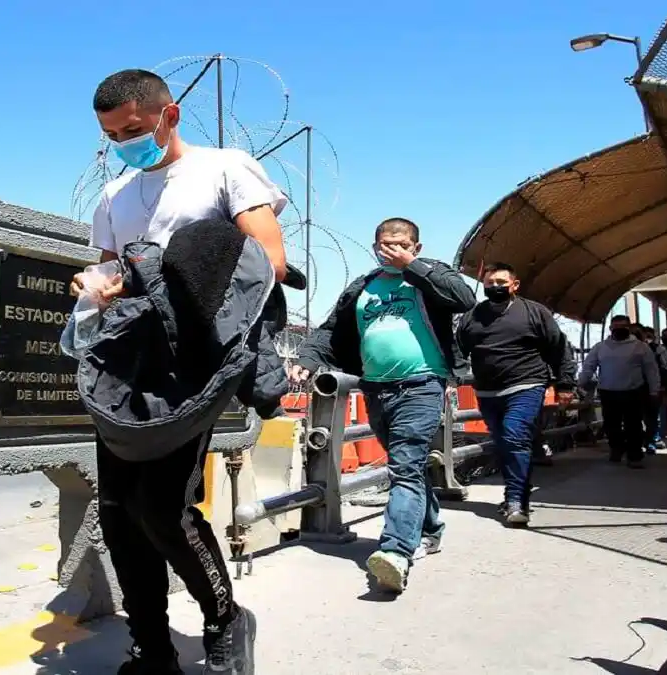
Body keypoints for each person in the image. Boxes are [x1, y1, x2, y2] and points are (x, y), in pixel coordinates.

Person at [70, 68, 293, 675]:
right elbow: (109, 273)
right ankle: (150, 647)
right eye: (113, 136)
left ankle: (224, 618)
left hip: (197, 358)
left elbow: (268, 260)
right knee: (117, 510)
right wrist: (97, 286)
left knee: (162, 507)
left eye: (134, 129)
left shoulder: (225, 168)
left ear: (169, 114)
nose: (125, 143)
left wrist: (161, 277)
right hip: (131, 361)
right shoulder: (113, 197)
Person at [289, 218, 475, 593]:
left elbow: (464, 298)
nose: (392, 251)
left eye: (401, 245)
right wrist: (306, 359)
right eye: (385, 245)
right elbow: (330, 332)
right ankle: (431, 529)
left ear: (416, 248)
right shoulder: (363, 288)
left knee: (404, 467)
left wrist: (413, 267)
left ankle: (395, 553)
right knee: (411, 466)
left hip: (422, 385)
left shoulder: (429, 277)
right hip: (377, 390)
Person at [456, 262, 577, 526]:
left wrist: (565, 384)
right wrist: (449, 379)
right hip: (487, 392)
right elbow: (457, 351)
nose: (495, 287)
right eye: (490, 283)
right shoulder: (473, 317)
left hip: (526, 385)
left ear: (514, 285)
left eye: (501, 282)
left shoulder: (535, 313)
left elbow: (559, 348)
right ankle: (514, 491)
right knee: (504, 443)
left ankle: (516, 501)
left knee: (514, 437)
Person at [578, 315, 661, 468]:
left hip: (633, 391)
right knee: (611, 424)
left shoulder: (641, 347)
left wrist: (654, 389)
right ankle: (616, 448)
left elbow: (651, 370)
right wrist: (581, 383)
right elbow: (589, 366)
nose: (619, 330)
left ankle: (634, 455)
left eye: (623, 326)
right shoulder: (600, 347)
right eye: (615, 327)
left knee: (634, 425)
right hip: (608, 391)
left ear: (629, 328)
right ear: (610, 329)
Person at [640, 326, 667, 453]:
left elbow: (666, 368)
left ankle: (652, 439)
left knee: (653, 415)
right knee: (652, 415)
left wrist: (666, 385)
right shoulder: (657, 349)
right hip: (642, 386)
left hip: (653, 386)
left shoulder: (658, 349)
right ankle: (651, 440)